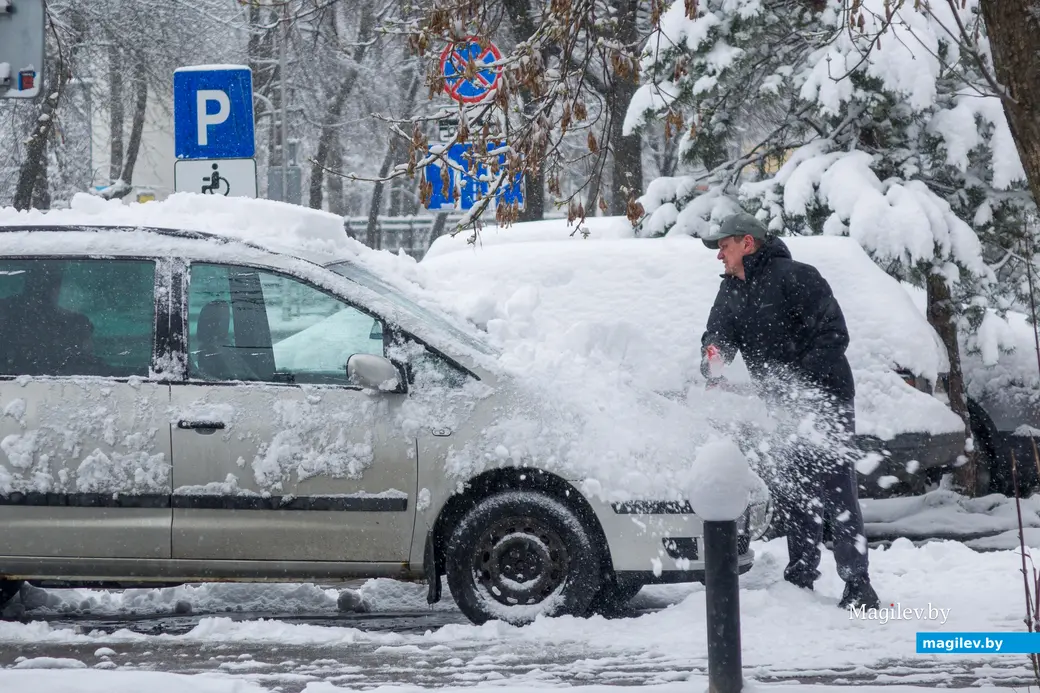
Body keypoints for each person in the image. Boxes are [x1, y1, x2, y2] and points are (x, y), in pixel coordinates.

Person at [698, 211, 880, 610]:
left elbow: (834, 335)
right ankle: (800, 575)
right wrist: (713, 359)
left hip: (825, 398)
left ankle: (858, 583)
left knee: (836, 490)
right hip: (779, 404)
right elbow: (717, 336)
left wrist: (797, 382)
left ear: (748, 243)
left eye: (724, 246)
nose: (719, 256)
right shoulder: (730, 290)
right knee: (795, 488)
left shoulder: (798, 276)